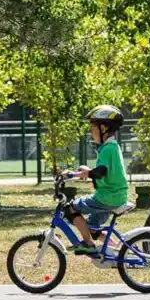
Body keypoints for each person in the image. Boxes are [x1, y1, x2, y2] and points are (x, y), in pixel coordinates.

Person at [61, 105, 129, 255]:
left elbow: (100, 172)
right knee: (92, 228)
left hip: (106, 198)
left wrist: (73, 175)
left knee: (69, 209)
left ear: (103, 128)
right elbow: (103, 172)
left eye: (93, 129)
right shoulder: (112, 147)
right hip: (115, 196)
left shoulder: (108, 148)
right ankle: (120, 249)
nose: (91, 133)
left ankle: (88, 244)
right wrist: (84, 172)